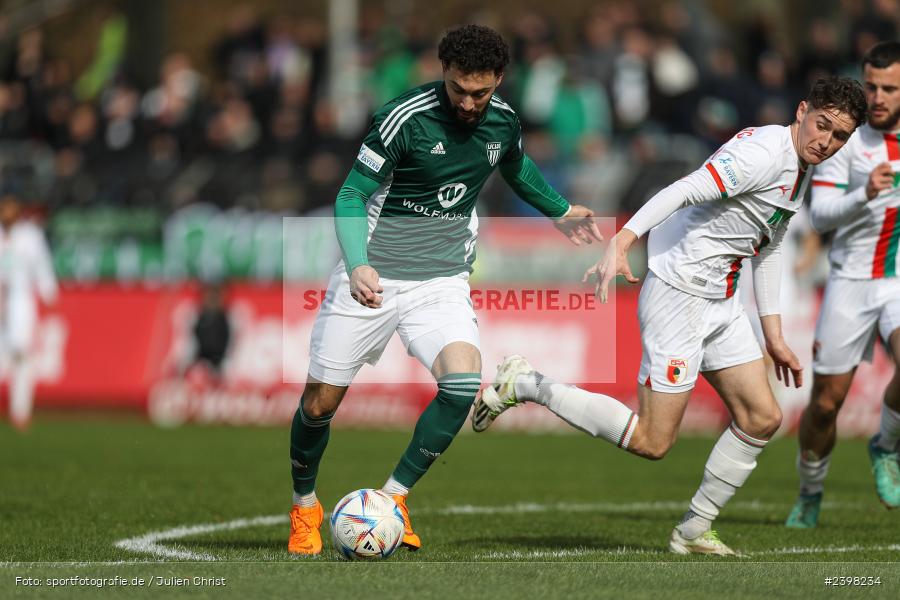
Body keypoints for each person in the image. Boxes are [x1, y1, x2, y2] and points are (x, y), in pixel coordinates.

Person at [472, 76, 867, 555]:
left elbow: (770, 243)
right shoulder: (762, 154)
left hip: (720, 299)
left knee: (762, 417)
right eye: (822, 125)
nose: (826, 141)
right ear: (803, 110)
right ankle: (527, 384)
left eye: (839, 136)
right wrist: (622, 240)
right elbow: (681, 190)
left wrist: (774, 336)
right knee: (653, 441)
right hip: (679, 295)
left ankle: (694, 531)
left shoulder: (802, 165)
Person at [288, 24, 602, 556]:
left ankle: (394, 499)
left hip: (441, 280)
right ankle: (304, 506)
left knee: (462, 384)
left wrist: (559, 209)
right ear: (444, 74)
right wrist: (359, 264)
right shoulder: (401, 119)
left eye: (480, 92)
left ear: (499, 80)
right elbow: (350, 194)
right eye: (458, 88)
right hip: (374, 277)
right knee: (319, 404)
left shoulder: (503, 120)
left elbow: (516, 167)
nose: (468, 102)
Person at [786, 42, 900, 528]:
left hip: (896, 279)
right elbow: (822, 214)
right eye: (871, 85)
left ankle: (885, 446)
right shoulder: (846, 138)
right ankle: (810, 490)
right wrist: (864, 192)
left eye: (890, 88)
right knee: (826, 404)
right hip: (850, 280)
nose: (877, 96)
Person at [0, 191, 58, 431]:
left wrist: (49, 291)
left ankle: (20, 411)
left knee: (22, 356)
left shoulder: (30, 236)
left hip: (20, 301)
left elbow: (42, 265)